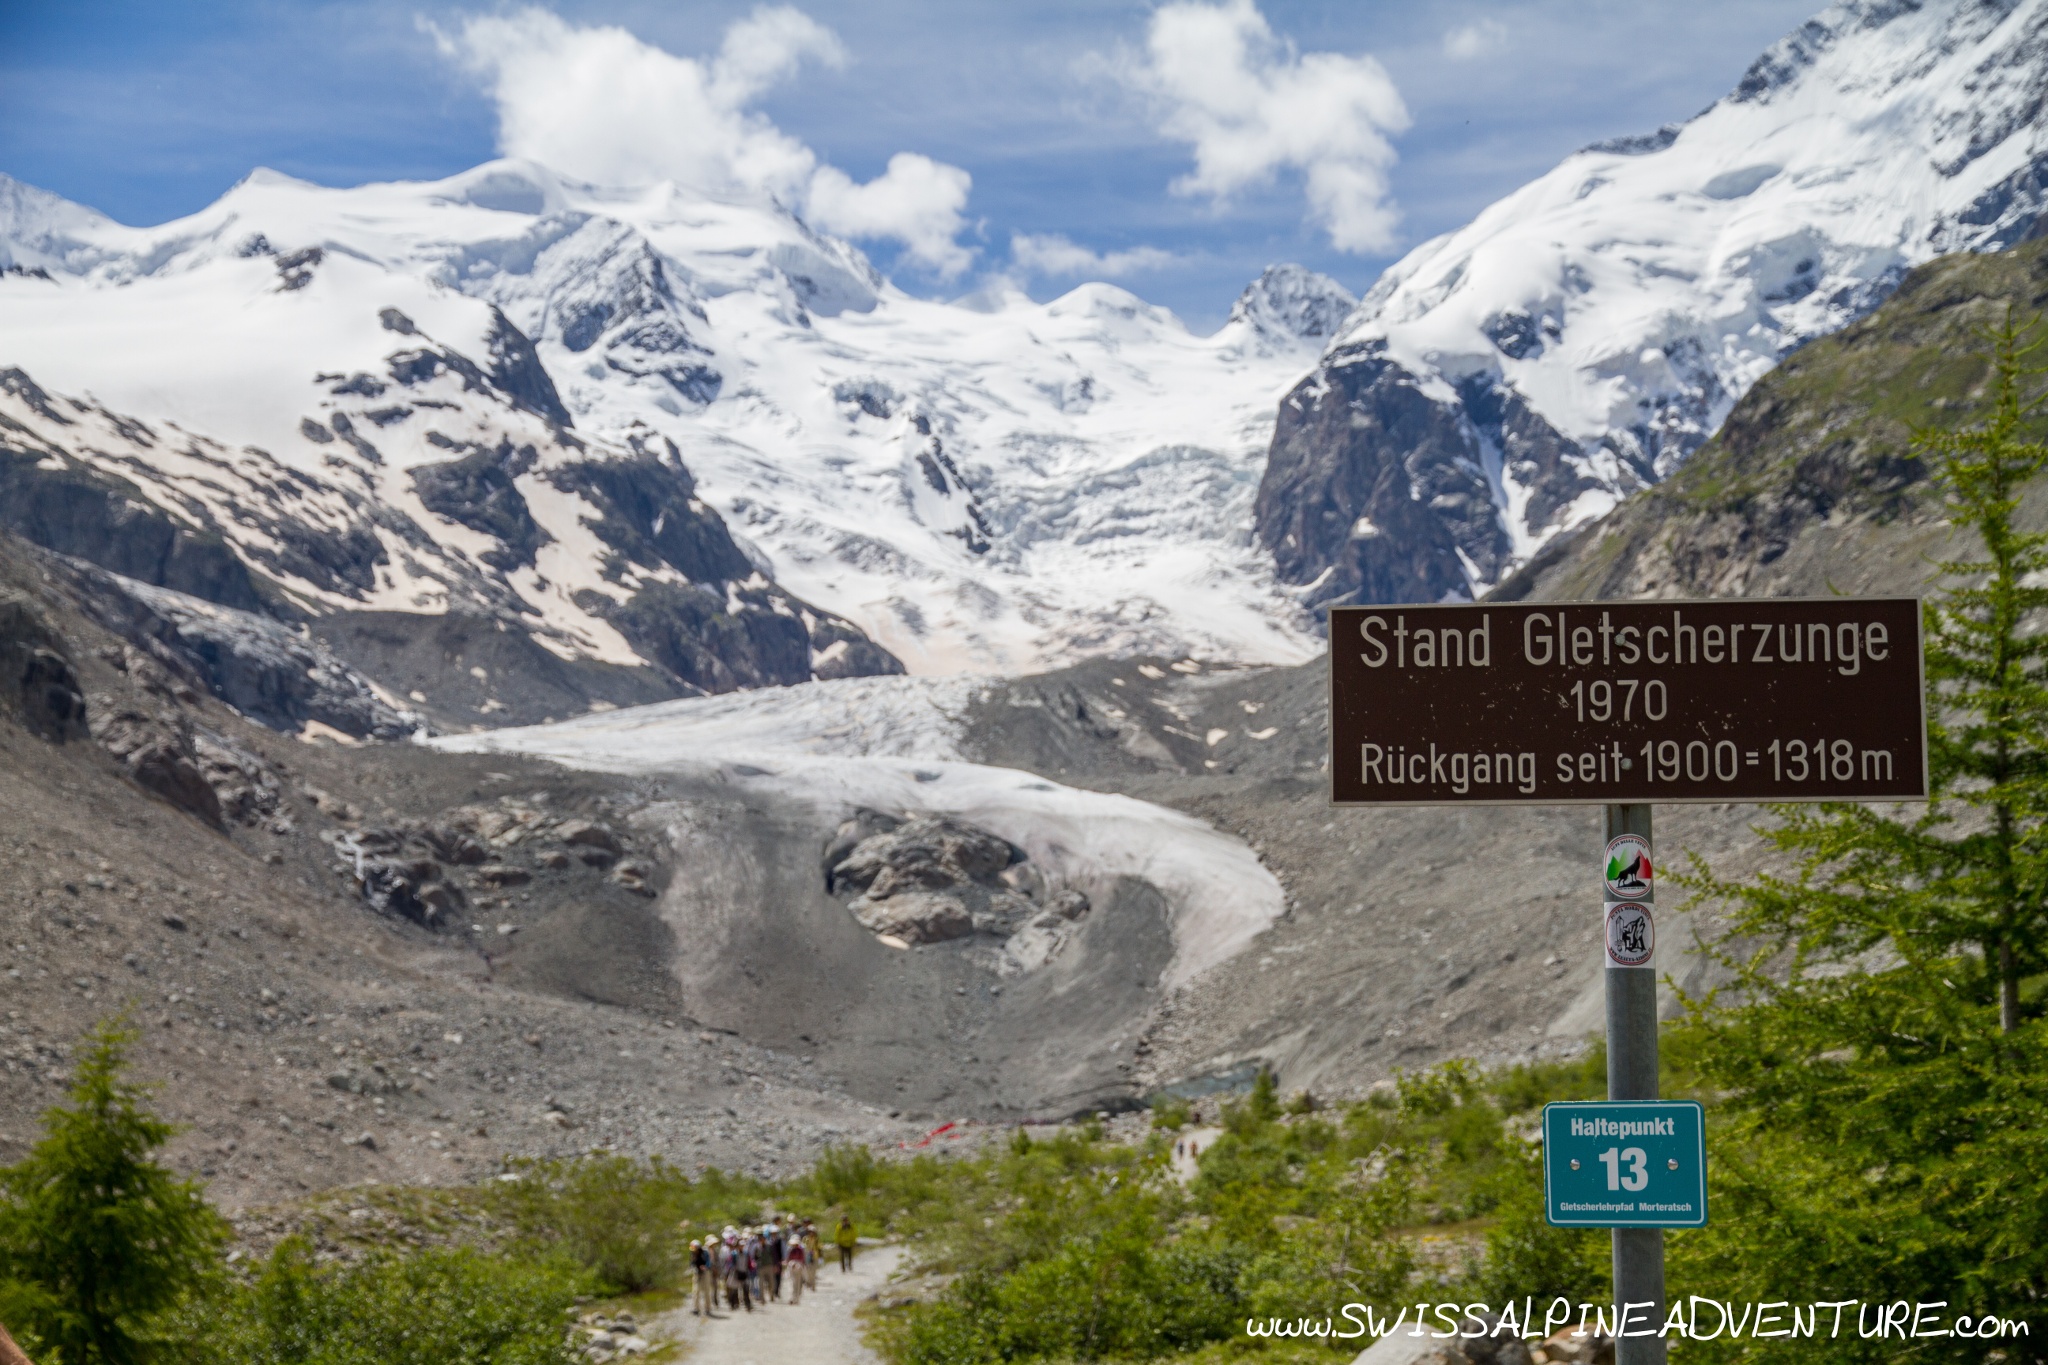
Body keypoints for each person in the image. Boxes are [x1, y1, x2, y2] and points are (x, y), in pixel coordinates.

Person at [689, 1238, 714, 1317]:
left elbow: (708, 1262)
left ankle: (708, 1308)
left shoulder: (705, 1252)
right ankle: (696, 1308)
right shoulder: (693, 1254)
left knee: (707, 1290)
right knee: (696, 1291)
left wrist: (705, 1267)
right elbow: (692, 1263)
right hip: (697, 1273)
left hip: (705, 1273)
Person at [784, 1226, 807, 1304]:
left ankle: (796, 1299)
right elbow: (788, 1259)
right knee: (792, 1284)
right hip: (792, 1268)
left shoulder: (800, 1250)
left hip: (798, 1268)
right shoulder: (791, 1250)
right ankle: (792, 1298)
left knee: (797, 1284)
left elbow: (802, 1259)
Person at [802, 1218, 821, 1289]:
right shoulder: (805, 1239)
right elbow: (803, 1247)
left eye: (812, 1231)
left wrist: (821, 1257)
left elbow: (820, 1248)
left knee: (813, 1271)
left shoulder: (817, 1239)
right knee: (808, 1271)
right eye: (810, 1231)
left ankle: (813, 1284)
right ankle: (808, 1283)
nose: (811, 1233)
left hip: (815, 1256)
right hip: (807, 1256)